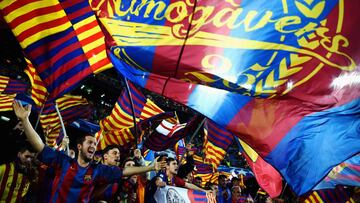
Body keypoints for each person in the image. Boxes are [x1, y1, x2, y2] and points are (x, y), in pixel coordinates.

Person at [13, 101, 166, 203]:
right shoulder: (63, 161)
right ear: (79, 147)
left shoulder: (98, 170)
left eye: (94, 143)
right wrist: (25, 121)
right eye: (90, 142)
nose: (93, 145)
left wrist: (150, 167)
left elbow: (125, 170)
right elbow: (39, 146)